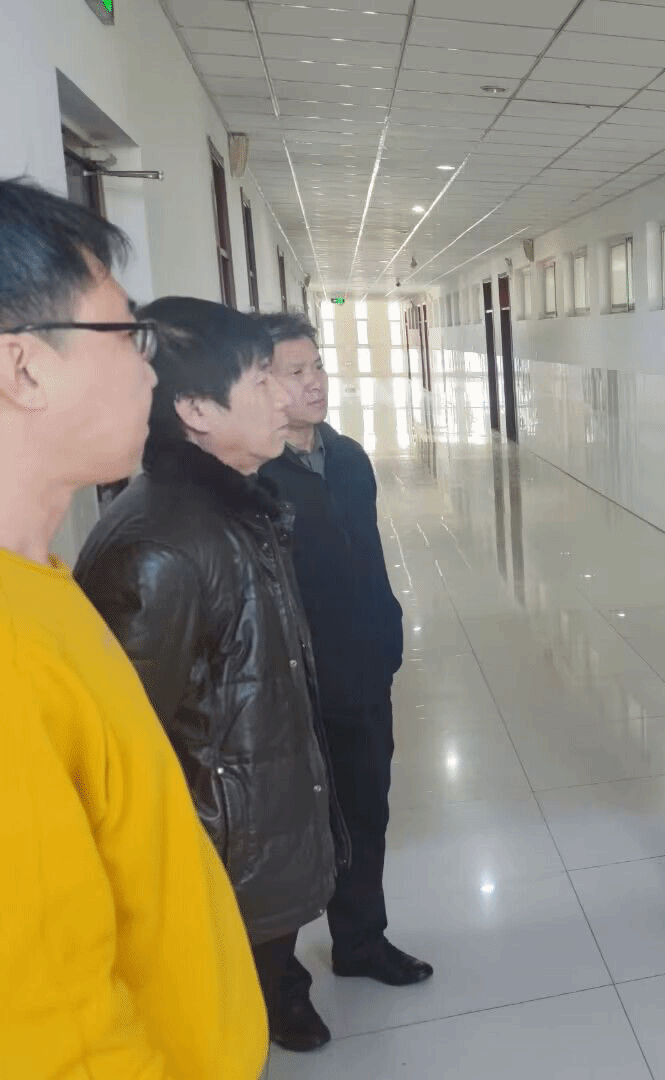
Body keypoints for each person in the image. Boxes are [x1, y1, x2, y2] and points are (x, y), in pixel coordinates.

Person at [0, 178, 265, 1078]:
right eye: (127, 335)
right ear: (24, 367)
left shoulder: (41, 583)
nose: (151, 371)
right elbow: (49, 1040)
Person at [75, 296, 343, 1053]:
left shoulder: (234, 511)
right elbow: (120, 762)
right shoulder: (159, 548)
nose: (284, 398)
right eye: (262, 381)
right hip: (213, 870)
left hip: (247, 850)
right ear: (195, 409)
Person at [258, 314, 432, 999]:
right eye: (295, 372)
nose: (315, 382)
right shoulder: (251, 476)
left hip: (362, 672)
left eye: (318, 366)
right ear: (259, 383)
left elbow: (367, 556)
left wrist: (387, 628)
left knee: (364, 813)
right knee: (291, 834)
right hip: (289, 688)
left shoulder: (351, 457)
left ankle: (360, 941)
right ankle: (278, 984)